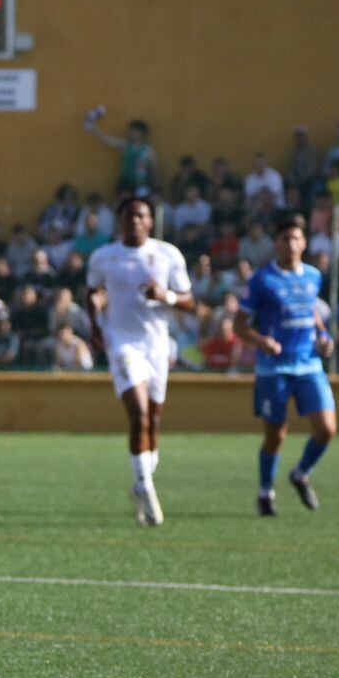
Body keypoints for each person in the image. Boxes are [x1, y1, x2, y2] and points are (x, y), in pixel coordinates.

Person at [86, 195, 194, 526]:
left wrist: (167, 296)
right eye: (129, 216)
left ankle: (139, 482)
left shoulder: (167, 254)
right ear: (119, 221)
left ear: (151, 221)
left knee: (154, 420)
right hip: (122, 343)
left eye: (141, 216)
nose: (135, 221)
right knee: (140, 413)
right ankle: (146, 487)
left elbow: (190, 301)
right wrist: (95, 322)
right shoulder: (105, 256)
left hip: (157, 346)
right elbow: (92, 291)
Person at [232, 213, 336, 516]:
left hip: (308, 365)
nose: (291, 243)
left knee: (327, 428)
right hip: (273, 368)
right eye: (285, 238)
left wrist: (324, 335)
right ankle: (265, 492)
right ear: (276, 243)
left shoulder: (313, 276)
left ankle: (301, 472)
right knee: (276, 435)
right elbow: (239, 325)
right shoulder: (262, 280)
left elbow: (312, 311)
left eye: (296, 238)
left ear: (304, 243)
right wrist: (261, 342)